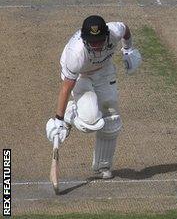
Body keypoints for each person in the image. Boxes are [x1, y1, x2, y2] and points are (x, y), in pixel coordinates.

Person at [45, 15, 142, 179]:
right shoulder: (75, 55)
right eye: (92, 42)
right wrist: (59, 119)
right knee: (90, 123)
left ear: (106, 35)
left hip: (104, 71)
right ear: (84, 39)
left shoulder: (114, 31)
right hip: (81, 75)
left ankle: (103, 166)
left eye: (99, 41)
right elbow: (66, 88)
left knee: (112, 119)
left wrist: (128, 49)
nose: (96, 46)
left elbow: (125, 29)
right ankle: (70, 112)